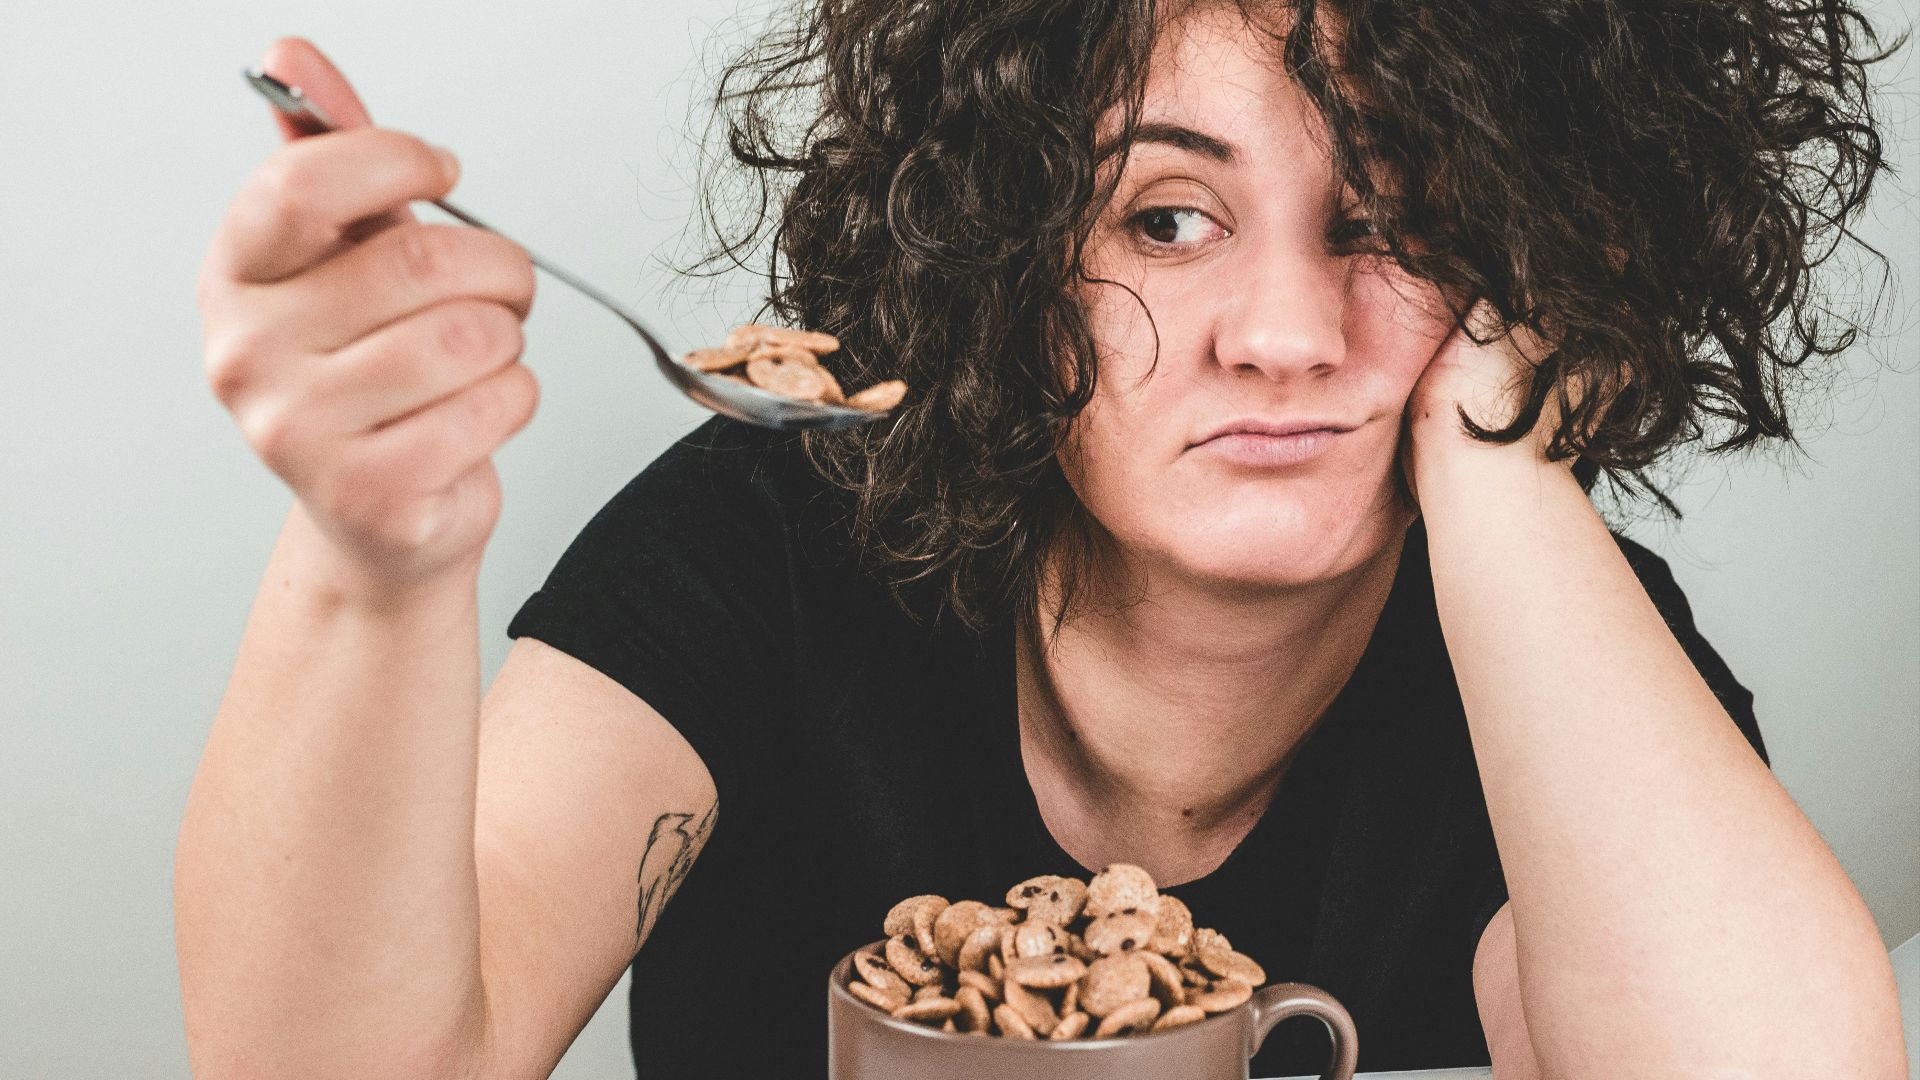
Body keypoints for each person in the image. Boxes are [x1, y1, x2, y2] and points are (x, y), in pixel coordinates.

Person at [176, 0, 1908, 1075]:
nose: (1286, 332)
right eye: (1167, 217)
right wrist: (368, 559)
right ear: (1005, 249)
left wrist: (1509, 459)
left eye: (1393, 221)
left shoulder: (1563, 651)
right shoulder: (769, 543)